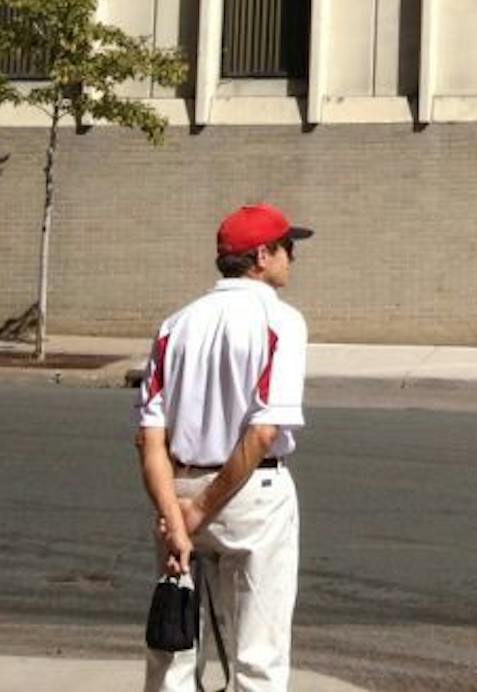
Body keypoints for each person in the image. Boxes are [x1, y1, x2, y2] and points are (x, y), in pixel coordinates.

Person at [135, 203, 313, 692]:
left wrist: (176, 516)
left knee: (174, 644)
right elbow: (263, 432)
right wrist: (199, 511)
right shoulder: (281, 322)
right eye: (287, 248)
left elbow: (150, 436)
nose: (292, 258)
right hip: (250, 492)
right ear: (261, 255)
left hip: (178, 486)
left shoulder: (175, 325)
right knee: (258, 656)